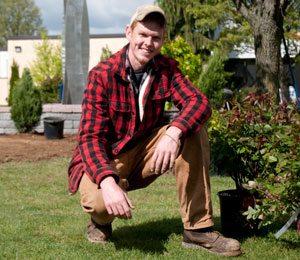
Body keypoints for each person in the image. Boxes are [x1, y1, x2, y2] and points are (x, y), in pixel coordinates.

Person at [68, 5, 241, 257]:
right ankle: (100, 222)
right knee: (100, 203)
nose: (148, 43)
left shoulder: (166, 69)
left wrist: (174, 132)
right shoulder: (102, 75)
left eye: (155, 37)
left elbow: (199, 103)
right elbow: (89, 138)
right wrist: (108, 182)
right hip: (105, 159)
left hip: (144, 154)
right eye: (143, 35)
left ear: (162, 40)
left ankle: (197, 229)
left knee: (193, 128)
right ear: (129, 33)